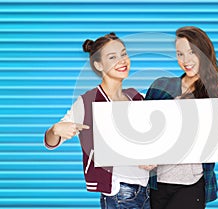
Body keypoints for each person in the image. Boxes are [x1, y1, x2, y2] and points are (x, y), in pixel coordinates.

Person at [145, 26, 218, 209]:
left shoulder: (217, 98)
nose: (185, 60)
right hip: (156, 185)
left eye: (192, 53)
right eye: (180, 54)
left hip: (191, 186)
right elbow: (142, 137)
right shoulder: (160, 86)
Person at [44, 32, 150, 209]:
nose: (122, 60)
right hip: (119, 192)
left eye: (124, 54)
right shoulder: (88, 101)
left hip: (148, 190)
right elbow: (50, 142)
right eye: (112, 57)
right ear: (99, 65)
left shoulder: (137, 97)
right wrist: (55, 130)